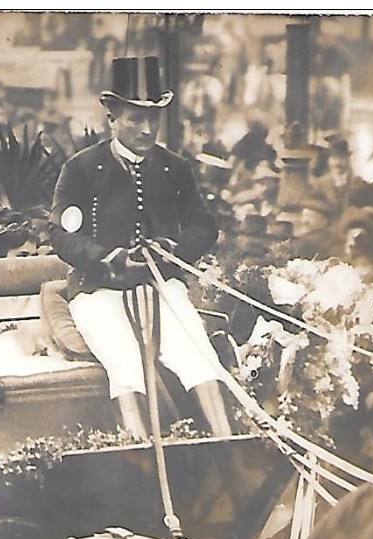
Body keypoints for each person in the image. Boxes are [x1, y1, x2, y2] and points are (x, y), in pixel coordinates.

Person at [48, 56, 232, 439]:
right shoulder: (82, 168)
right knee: (124, 360)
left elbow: (204, 225)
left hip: (162, 287)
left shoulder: (175, 167)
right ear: (112, 116)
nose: (147, 129)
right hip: (100, 290)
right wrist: (106, 257)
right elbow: (63, 235)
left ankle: (227, 444)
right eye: (135, 118)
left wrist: (174, 250)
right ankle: (137, 450)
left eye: (154, 118)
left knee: (198, 356)